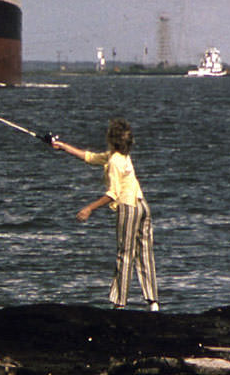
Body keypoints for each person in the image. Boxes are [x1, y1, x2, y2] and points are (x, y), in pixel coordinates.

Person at [50, 118, 159, 311]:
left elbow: (113, 194)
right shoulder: (121, 156)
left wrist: (89, 208)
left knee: (124, 254)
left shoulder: (115, 162)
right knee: (145, 253)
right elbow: (90, 157)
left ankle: (119, 304)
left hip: (129, 207)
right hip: (143, 206)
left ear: (112, 139)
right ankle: (153, 302)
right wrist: (64, 146)